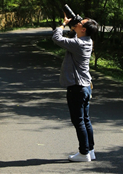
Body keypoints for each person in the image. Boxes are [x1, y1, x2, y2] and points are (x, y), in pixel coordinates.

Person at [52, 13, 99, 162]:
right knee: (85, 120)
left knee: (78, 121)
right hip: (85, 87)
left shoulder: (78, 44)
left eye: (81, 23)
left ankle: (84, 153)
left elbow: (57, 38)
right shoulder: (87, 41)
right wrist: (74, 25)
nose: (78, 22)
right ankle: (90, 150)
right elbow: (73, 37)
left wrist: (63, 24)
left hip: (77, 87)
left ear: (84, 30)